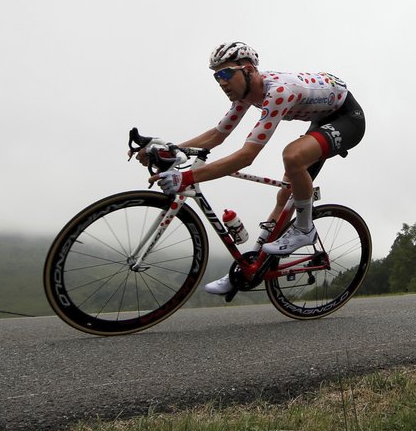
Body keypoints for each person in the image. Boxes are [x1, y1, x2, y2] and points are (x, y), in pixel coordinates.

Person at [146, 41, 365, 295]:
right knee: (284, 195)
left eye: (226, 73)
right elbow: (217, 135)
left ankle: (305, 229)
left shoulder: (279, 92)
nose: (222, 82)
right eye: (217, 76)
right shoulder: (247, 94)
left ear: (248, 69)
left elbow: (247, 155)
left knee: (292, 156)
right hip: (322, 119)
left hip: (347, 118)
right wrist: (171, 149)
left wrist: (187, 176)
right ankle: (250, 266)